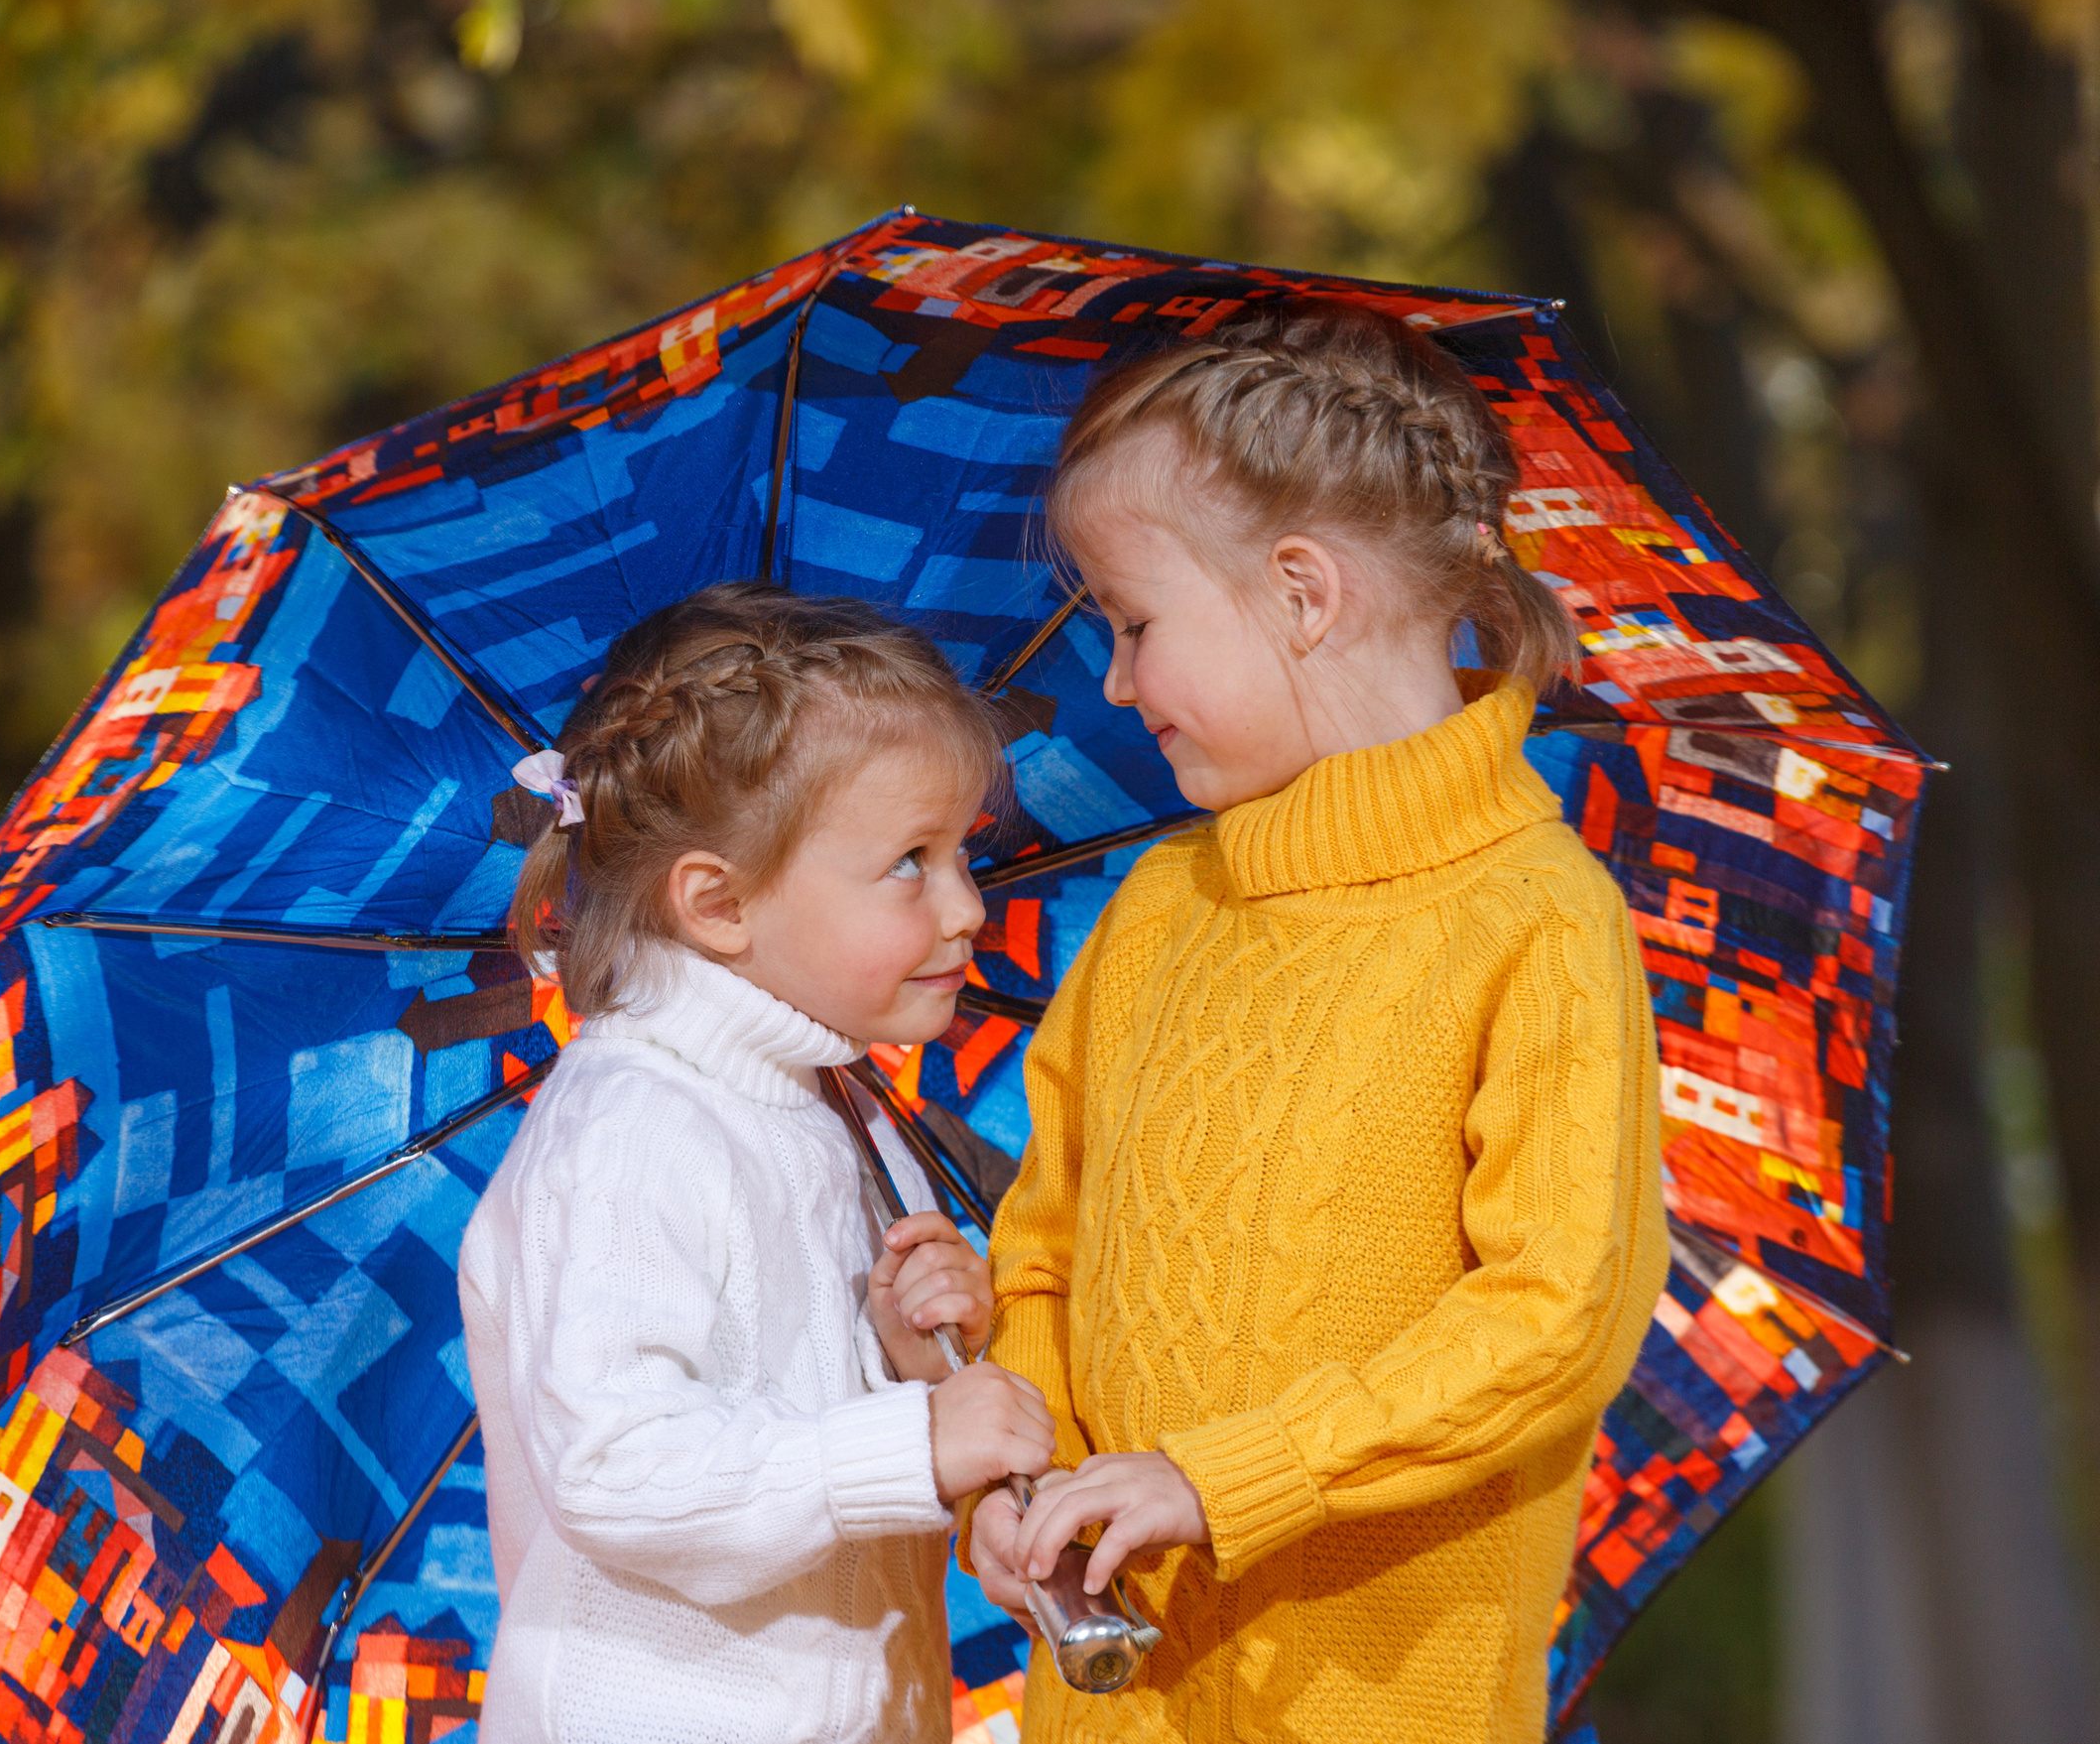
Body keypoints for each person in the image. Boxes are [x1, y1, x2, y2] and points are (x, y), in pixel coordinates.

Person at [963, 304, 1670, 1743]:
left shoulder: (1536, 918)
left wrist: (1230, 1475)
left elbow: (1556, 1315)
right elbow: (1040, 1256)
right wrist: (1027, 1477)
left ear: (1301, 593)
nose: (1111, 680)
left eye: (1136, 623)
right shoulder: (1158, 907)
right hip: (1108, 1707)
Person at [457, 583, 1060, 1743]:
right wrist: (910, 1444)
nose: (967, 908)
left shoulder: (832, 1103)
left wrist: (897, 1363)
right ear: (719, 903)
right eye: (910, 863)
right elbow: (618, 1464)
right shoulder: (634, 1124)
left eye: (962, 856)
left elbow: (772, 1418)